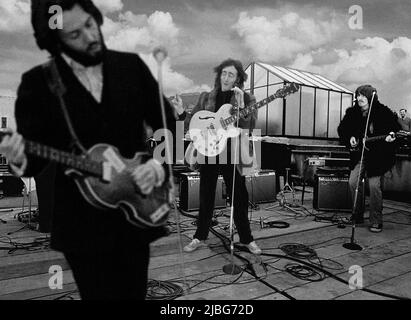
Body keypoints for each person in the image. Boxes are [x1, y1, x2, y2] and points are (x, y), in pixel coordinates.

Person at [0, 0, 178, 300]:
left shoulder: (130, 66)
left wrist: (158, 164)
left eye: (90, 24)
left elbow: (167, 121)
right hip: (81, 224)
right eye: (74, 35)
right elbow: (32, 161)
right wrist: (17, 157)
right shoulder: (38, 84)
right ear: (54, 41)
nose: (90, 37)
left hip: (136, 210)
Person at [172, 59, 262, 254]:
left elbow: (250, 126)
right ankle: (199, 236)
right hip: (208, 150)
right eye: (223, 73)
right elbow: (193, 123)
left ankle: (246, 238)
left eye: (231, 74)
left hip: (233, 151)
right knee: (206, 195)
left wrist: (240, 107)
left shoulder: (246, 99)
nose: (226, 77)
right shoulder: (206, 98)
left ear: (238, 78)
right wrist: (180, 113)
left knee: (239, 195)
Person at [338, 85, 400, 233]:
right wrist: (351, 137)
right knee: (353, 182)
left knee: (374, 186)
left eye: (363, 96)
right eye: (358, 95)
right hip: (359, 155)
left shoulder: (383, 112)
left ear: (371, 98)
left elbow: (395, 129)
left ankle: (376, 220)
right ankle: (357, 215)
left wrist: (391, 137)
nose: (359, 98)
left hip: (377, 158)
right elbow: (343, 129)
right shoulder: (352, 112)